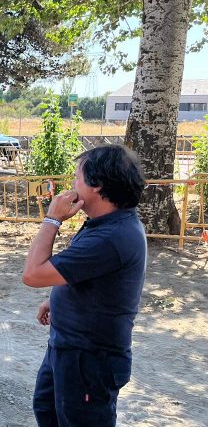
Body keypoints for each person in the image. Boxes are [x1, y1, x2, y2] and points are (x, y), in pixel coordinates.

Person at [22, 144, 147, 427]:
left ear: (97, 185)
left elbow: (32, 274)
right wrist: (57, 299)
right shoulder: (104, 223)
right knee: (47, 411)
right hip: (68, 348)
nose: (72, 185)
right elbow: (85, 274)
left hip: (89, 360)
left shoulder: (112, 236)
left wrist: (52, 219)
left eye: (76, 177)